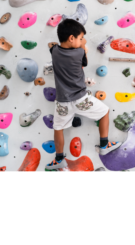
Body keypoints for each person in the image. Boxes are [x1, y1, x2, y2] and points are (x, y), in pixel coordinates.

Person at [45, 19, 122, 170]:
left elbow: (63, 45)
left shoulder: (54, 51)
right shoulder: (79, 53)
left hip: (62, 102)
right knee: (105, 111)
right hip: (80, 99)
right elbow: (83, 55)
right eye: (79, 38)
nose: (82, 41)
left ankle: (59, 158)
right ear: (71, 38)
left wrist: (79, 40)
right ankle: (104, 144)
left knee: (58, 128)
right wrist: (83, 45)